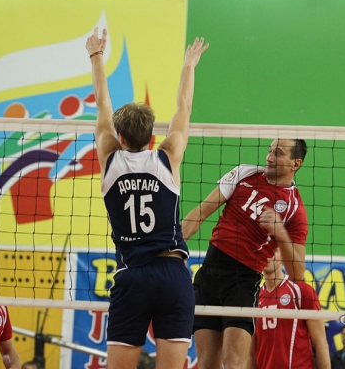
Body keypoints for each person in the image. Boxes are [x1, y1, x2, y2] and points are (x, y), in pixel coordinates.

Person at [85, 28, 208, 369]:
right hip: (172, 274)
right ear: (152, 134)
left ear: (120, 137)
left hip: (133, 275)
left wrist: (96, 56)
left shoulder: (109, 157)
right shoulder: (168, 156)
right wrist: (189, 65)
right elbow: (184, 108)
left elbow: (102, 104)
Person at [182, 138, 308, 369]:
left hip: (242, 283)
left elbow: (298, 273)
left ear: (295, 164)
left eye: (278, 153)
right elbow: (200, 213)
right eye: (269, 151)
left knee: (234, 364)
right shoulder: (244, 174)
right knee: (207, 365)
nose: (269, 157)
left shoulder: (294, 209)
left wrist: (280, 232)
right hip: (209, 274)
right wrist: (174, 251)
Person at [248, 248, 331, 369]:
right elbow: (251, 353)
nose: (268, 255)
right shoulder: (254, 299)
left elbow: (321, 343)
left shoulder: (301, 290)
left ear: (283, 256)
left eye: (273, 251)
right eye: (264, 251)